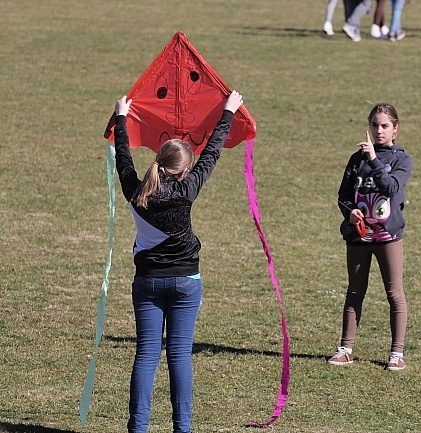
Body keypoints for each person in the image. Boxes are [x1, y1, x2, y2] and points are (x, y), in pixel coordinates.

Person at [113, 91, 244, 433]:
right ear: (185, 170)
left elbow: (122, 157)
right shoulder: (187, 191)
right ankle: (182, 429)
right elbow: (212, 152)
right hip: (186, 282)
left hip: (147, 282)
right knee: (179, 356)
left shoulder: (135, 189)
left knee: (145, 356)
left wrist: (121, 117)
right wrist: (227, 112)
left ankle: (137, 428)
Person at [328, 103, 413, 371]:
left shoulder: (401, 160)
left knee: (394, 293)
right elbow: (343, 196)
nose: (379, 130)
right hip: (359, 237)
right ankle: (346, 348)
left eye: (385, 126)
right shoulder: (356, 159)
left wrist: (375, 159)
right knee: (354, 291)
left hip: (388, 236)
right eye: (375, 125)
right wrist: (349, 213)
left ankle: (396, 353)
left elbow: (390, 187)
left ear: (395, 129)